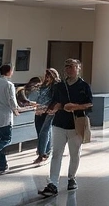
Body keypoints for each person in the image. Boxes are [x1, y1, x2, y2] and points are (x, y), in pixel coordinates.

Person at [39, 58, 93, 197]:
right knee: (56, 154)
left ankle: (71, 178)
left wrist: (75, 107)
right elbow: (55, 102)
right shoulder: (60, 86)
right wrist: (54, 107)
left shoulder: (84, 86)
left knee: (75, 154)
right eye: (66, 66)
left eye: (71, 66)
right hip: (59, 123)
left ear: (78, 68)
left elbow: (89, 104)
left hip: (76, 125)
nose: (68, 69)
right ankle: (53, 184)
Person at [33, 68, 60, 165]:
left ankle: (41, 154)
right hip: (39, 110)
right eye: (46, 75)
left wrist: (52, 108)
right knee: (41, 131)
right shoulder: (42, 85)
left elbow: (56, 98)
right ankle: (46, 151)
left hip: (49, 110)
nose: (47, 76)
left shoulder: (55, 85)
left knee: (44, 131)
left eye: (49, 75)